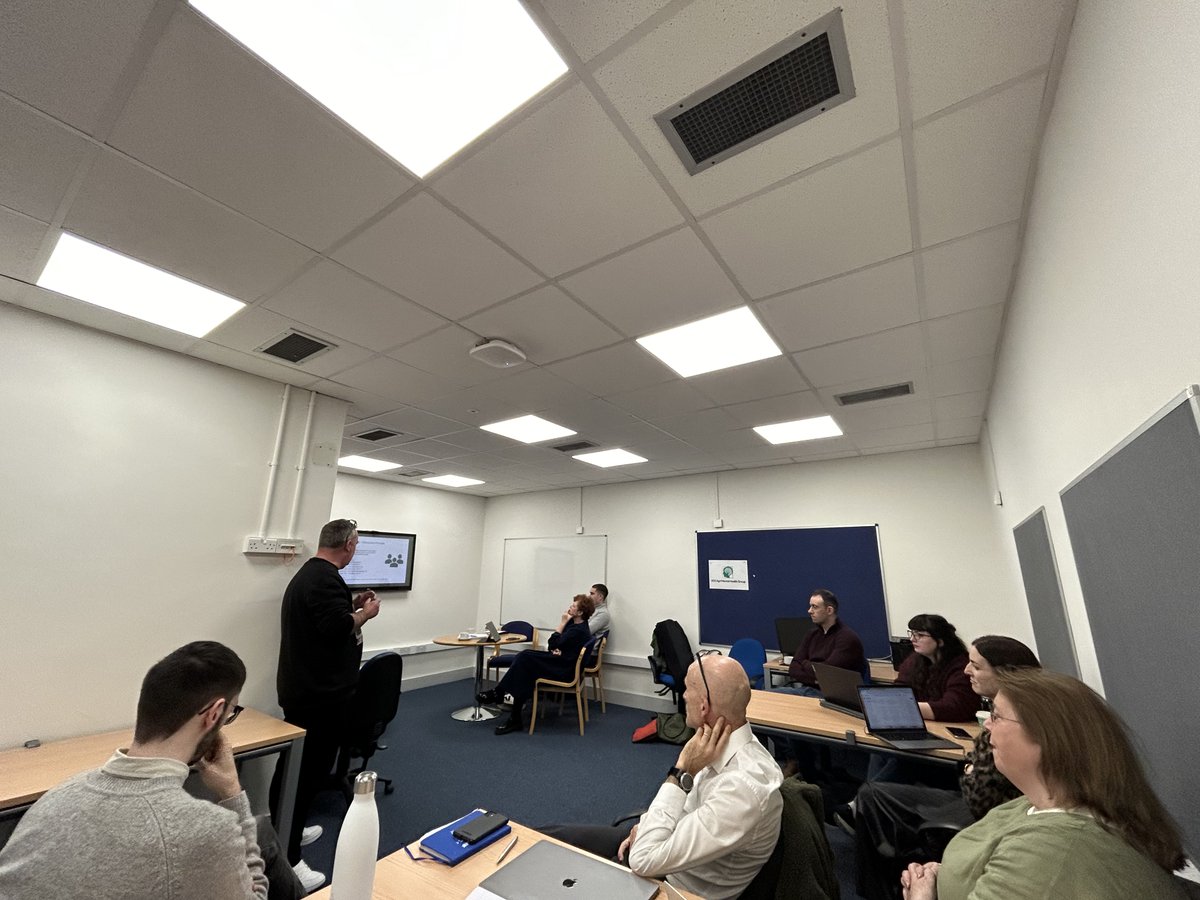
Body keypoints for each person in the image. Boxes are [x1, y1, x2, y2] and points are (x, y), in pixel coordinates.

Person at [0, 641, 271, 900]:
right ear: (214, 714)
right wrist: (231, 791)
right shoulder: (207, 830)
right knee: (264, 841)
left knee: (265, 838)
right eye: (231, 714)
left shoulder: (55, 797)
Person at [901, 668, 1187, 900]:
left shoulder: (1052, 856)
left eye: (997, 715)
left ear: (1045, 741)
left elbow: (1035, 872)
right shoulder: (1044, 803)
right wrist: (950, 874)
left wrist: (921, 895)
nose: (986, 725)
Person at [540, 652, 783, 899]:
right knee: (547, 838)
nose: (683, 695)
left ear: (703, 705)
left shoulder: (741, 790)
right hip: (662, 848)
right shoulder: (721, 743)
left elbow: (643, 861)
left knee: (559, 883)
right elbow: (686, 812)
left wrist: (681, 772)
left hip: (673, 886)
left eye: (687, 688)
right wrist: (645, 826)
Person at [849, 636, 1040, 900]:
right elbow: (901, 686)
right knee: (887, 761)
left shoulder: (1020, 718)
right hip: (973, 796)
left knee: (874, 789)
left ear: (1005, 672)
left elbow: (983, 796)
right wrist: (969, 768)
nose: (967, 671)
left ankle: (877, 886)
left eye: (976, 665)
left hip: (977, 809)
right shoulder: (921, 664)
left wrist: (969, 770)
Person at [270, 518, 381, 891]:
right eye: (357, 545)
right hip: (319, 698)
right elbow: (336, 628)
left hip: (305, 691)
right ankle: (288, 860)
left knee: (297, 770)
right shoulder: (324, 578)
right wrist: (365, 613)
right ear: (349, 544)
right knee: (305, 775)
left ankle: (288, 830)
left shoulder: (312, 576)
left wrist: (350, 606)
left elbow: (325, 622)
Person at [477, 593, 595, 735]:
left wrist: (562, 623)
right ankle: (512, 714)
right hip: (560, 661)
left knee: (525, 657)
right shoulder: (577, 624)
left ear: (580, 612)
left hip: (563, 670)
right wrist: (559, 648)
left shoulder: (578, 630)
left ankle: (500, 695)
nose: (569, 607)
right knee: (525, 666)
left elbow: (553, 642)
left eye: (573, 606)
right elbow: (554, 646)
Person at [775, 588, 866, 697]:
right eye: (810, 606)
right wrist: (815, 677)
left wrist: (805, 663)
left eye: (815, 607)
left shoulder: (847, 638)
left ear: (829, 610)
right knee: (768, 696)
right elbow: (793, 668)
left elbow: (827, 673)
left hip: (833, 696)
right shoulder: (812, 634)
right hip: (808, 690)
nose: (809, 611)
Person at [895, 614, 979, 722]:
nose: (912, 639)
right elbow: (900, 690)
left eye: (920, 635)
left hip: (954, 724)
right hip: (923, 721)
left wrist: (906, 707)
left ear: (940, 641)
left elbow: (953, 707)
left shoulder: (961, 666)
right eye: (912, 633)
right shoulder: (915, 660)